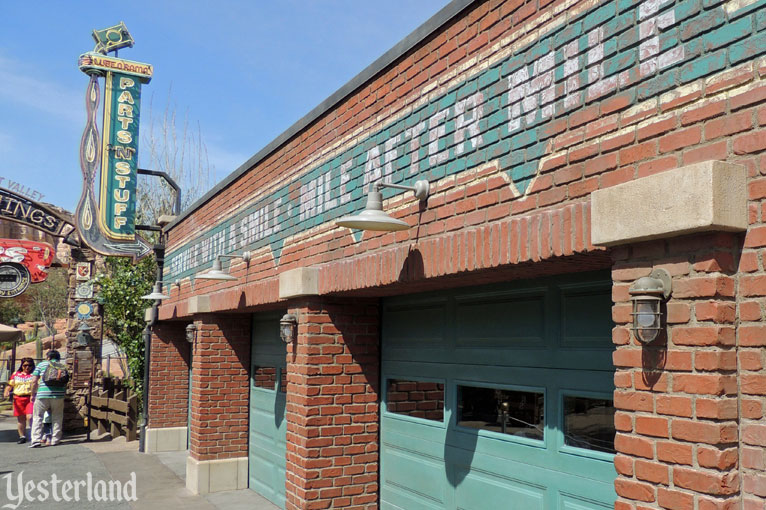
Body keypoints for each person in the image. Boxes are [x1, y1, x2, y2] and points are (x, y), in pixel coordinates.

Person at [30, 350, 66, 447]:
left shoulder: (41, 365)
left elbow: (34, 381)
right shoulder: (62, 366)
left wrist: (32, 394)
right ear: (58, 357)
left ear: (48, 357)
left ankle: (36, 440)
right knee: (57, 417)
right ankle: (55, 440)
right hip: (58, 395)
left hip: (42, 395)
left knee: (38, 417)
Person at [3, 358, 35, 444]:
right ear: (21, 366)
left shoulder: (34, 375)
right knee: (21, 419)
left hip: (30, 398)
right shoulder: (16, 374)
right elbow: (10, 385)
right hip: (18, 398)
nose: (27, 367)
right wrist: (6, 391)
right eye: (25, 365)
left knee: (30, 417)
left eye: (29, 365)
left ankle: (34, 434)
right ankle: (22, 436)